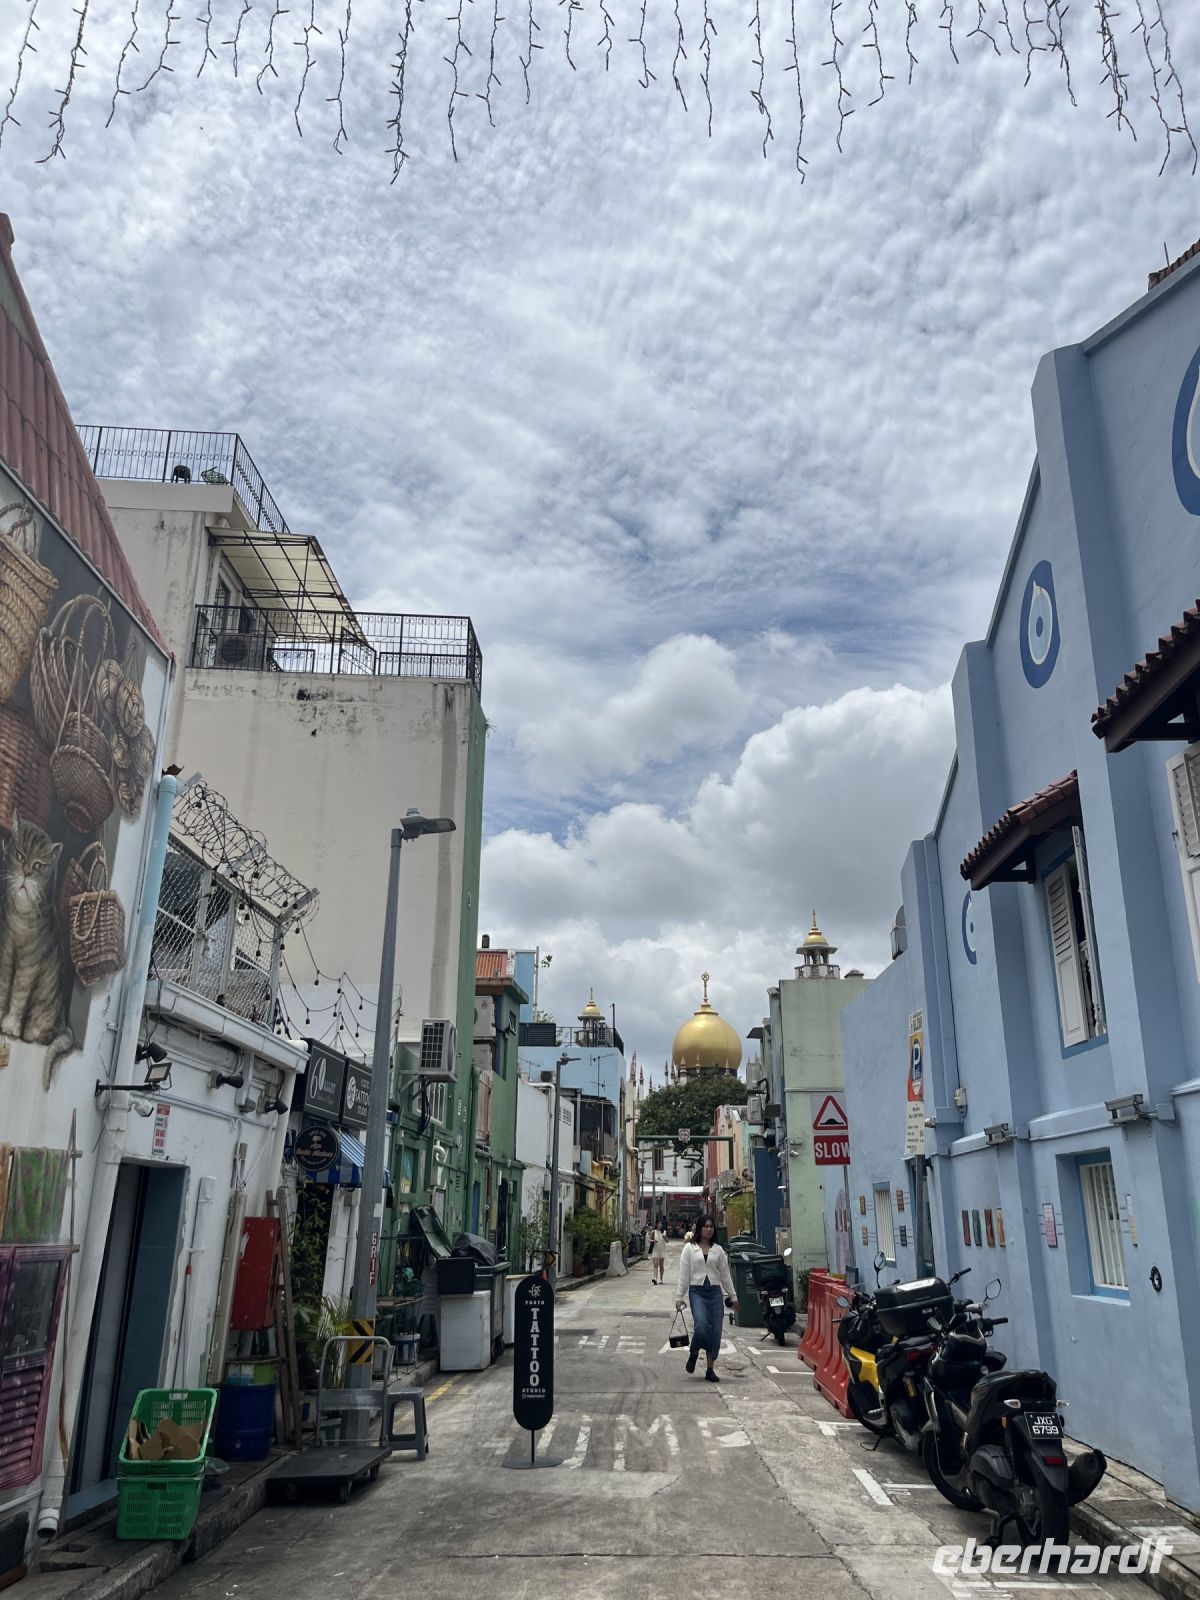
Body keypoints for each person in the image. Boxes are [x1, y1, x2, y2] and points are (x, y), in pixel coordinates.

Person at [675, 1214, 737, 1382]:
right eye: (706, 1226)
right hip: (697, 1292)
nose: (709, 1230)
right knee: (701, 1326)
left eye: (712, 1227)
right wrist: (679, 1297)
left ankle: (710, 1369)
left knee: (715, 1331)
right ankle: (694, 1352)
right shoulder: (689, 1248)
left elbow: (725, 1275)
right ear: (699, 1228)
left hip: (715, 1293)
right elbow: (684, 1274)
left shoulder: (718, 1250)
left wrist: (733, 1296)